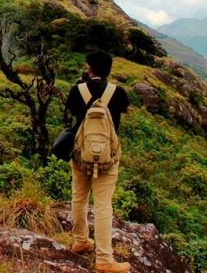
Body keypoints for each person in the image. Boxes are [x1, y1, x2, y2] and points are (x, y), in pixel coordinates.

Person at [64, 50, 131, 272]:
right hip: (107, 158)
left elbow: (72, 111)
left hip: (80, 155)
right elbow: (124, 110)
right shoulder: (117, 92)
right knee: (103, 206)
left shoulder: (78, 90)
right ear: (109, 70)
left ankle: (81, 240)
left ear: (89, 68)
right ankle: (104, 260)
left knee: (79, 198)